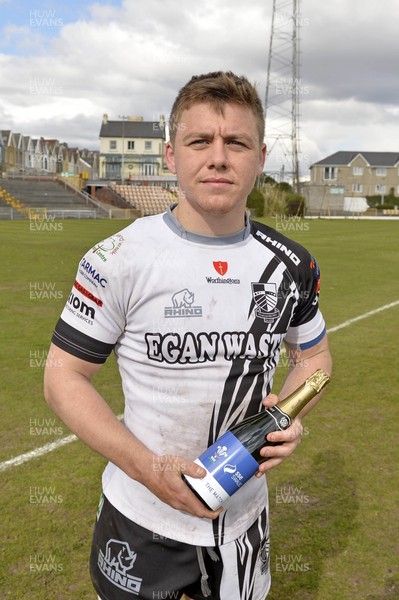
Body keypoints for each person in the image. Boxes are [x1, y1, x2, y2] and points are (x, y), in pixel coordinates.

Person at [44, 70, 332, 600]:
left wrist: (287, 415)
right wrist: (149, 470)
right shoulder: (118, 258)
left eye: (236, 143)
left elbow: (314, 360)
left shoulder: (292, 264)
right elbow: (64, 377)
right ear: (171, 155)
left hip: (243, 526)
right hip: (141, 521)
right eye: (200, 140)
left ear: (260, 157)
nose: (218, 157)